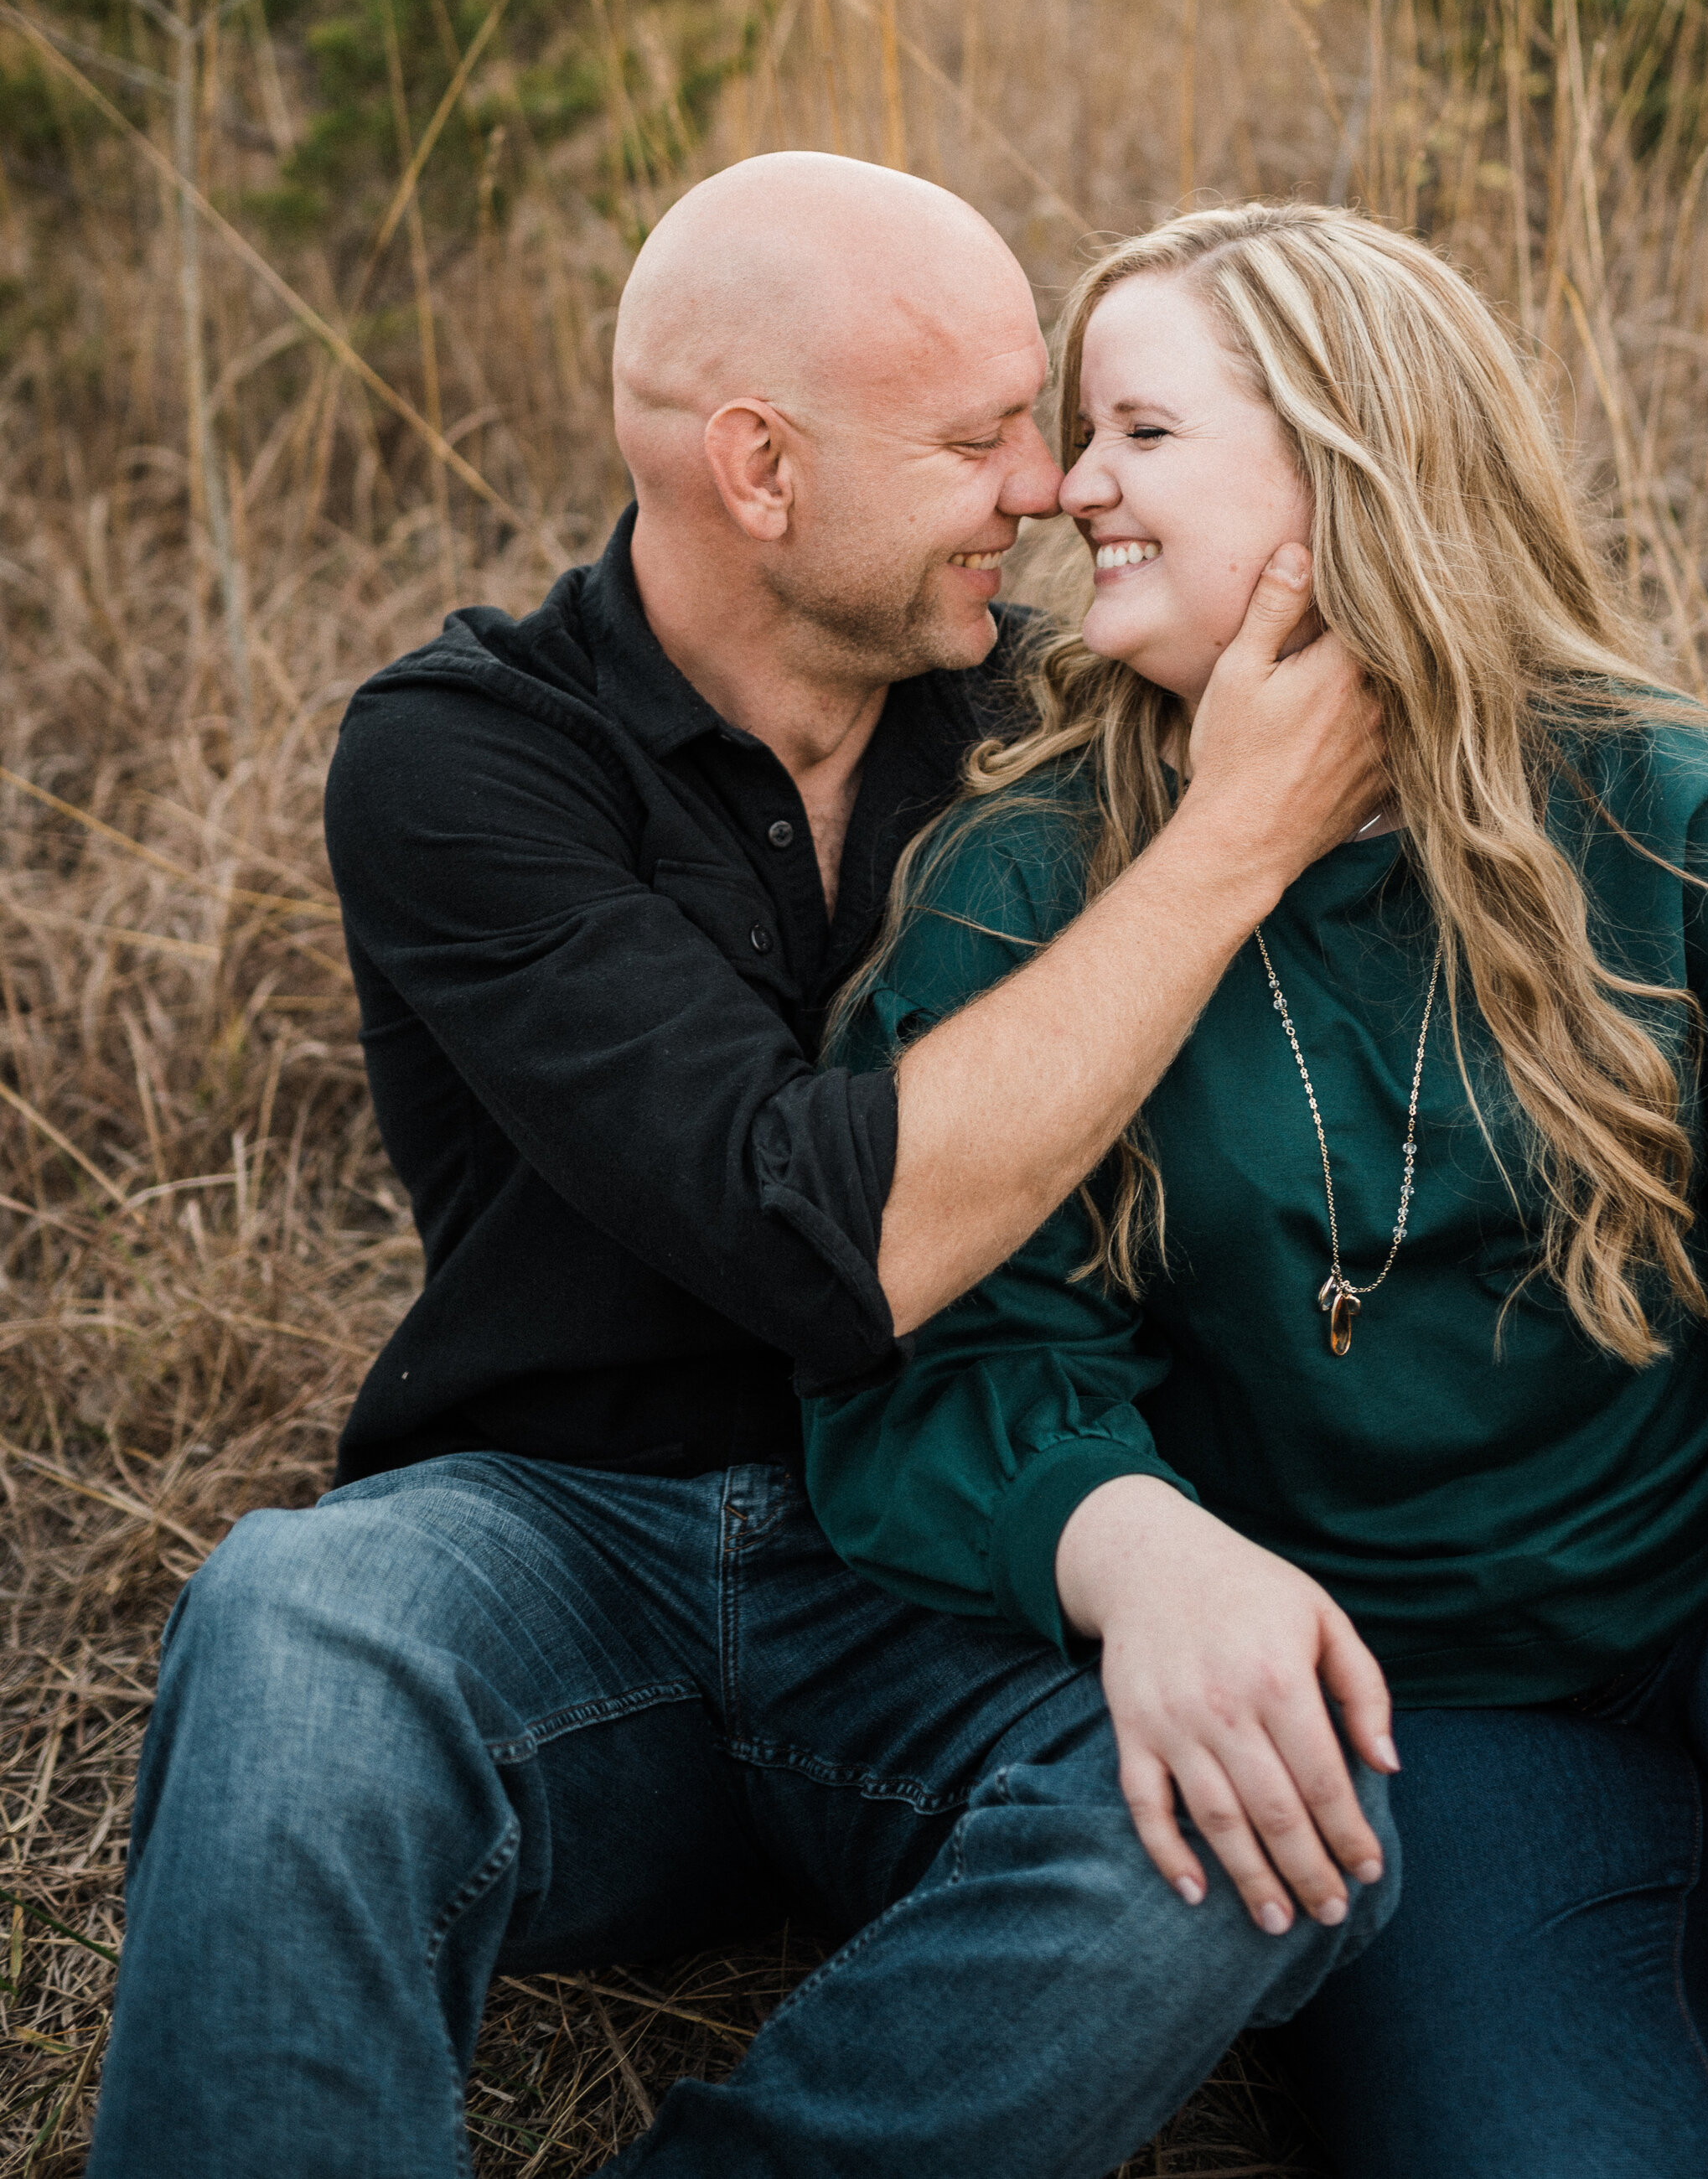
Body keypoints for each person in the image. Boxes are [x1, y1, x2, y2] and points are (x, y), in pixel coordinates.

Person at [85, 157, 1402, 2179]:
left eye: (1042, 425)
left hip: (957, 1560)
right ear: (760, 470)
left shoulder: (1054, 731)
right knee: (295, 1619)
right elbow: (811, 1230)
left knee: (1264, 1816)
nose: (1043, 489)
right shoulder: (463, 759)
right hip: (554, 1552)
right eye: (976, 441)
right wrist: (1227, 846)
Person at [805, 198, 1708, 2179]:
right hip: (1434, 1721)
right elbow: (938, 1335)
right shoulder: (1039, 887)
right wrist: (1118, 1534)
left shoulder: (1669, 820)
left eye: (1138, 431)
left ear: (1345, 459)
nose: (1066, 490)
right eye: (1082, 435)